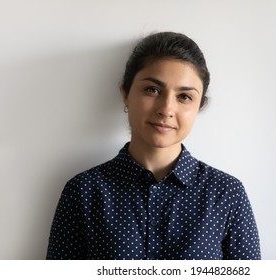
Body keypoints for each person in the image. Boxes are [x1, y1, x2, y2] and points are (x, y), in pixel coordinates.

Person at [46, 31, 261, 260]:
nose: (166, 109)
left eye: (184, 97)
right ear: (126, 93)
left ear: (199, 106)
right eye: (152, 90)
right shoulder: (84, 192)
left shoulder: (226, 194)